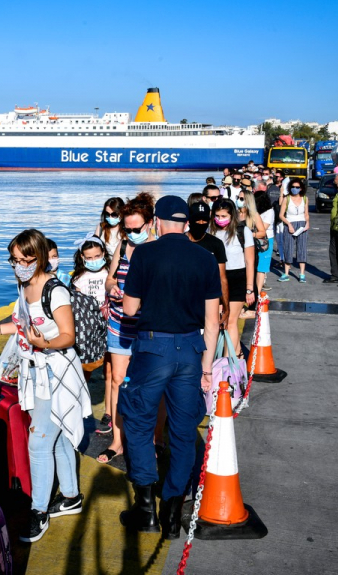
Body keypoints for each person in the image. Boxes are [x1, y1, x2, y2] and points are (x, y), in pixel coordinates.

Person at [117, 196, 221, 537]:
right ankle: (173, 514)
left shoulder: (144, 254)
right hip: (191, 349)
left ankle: (146, 508)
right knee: (182, 430)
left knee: (138, 422)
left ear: (157, 222)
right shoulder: (205, 257)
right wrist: (207, 368)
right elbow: (212, 320)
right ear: (187, 223)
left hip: (153, 348)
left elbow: (131, 309)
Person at [0, 229, 90, 544]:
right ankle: (70, 497)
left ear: (38, 256)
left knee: (39, 443)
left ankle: (38, 510)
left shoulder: (55, 291)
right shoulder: (25, 286)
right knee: (59, 438)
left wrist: (45, 343)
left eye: (25, 260)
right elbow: (21, 322)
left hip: (56, 373)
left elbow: (68, 335)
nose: (19, 266)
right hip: (36, 371)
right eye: (14, 260)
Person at [102, 192, 156, 464]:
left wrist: (136, 298)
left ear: (150, 223)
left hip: (148, 326)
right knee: (117, 381)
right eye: (127, 228)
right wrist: (112, 290)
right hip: (119, 323)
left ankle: (152, 441)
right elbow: (110, 279)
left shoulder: (158, 248)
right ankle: (117, 441)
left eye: (137, 228)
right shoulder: (122, 247)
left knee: (149, 385)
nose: (132, 233)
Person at [210, 199, 254, 353]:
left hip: (237, 277)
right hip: (216, 278)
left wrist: (249, 288)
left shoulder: (242, 231)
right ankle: (236, 355)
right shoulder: (210, 231)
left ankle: (230, 361)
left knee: (231, 322)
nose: (220, 219)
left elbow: (249, 261)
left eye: (224, 216)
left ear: (232, 215)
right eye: (217, 216)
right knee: (217, 321)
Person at [70, 235, 110, 386]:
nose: (94, 260)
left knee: (109, 358)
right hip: (89, 324)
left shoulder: (109, 273)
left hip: (108, 319)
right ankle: (83, 389)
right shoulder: (79, 278)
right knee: (87, 363)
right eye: (89, 257)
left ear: (103, 253)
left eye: (97, 256)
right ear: (82, 257)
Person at [187, 201, 228, 324]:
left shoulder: (216, 244)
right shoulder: (181, 242)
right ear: (189, 220)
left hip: (208, 302)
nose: (200, 223)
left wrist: (226, 307)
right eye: (197, 220)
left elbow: (222, 277)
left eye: (204, 220)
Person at [238, 190, 269, 296]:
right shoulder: (235, 213)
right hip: (237, 249)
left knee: (250, 273)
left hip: (250, 249)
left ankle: (250, 296)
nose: (239, 200)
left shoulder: (254, 215)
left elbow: (262, 232)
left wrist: (250, 235)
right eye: (238, 197)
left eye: (241, 199)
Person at [277, 180, 310, 283]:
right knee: (288, 248)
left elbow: (306, 213)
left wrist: (307, 223)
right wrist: (289, 224)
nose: (295, 188)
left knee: (302, 248)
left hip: (302, 225)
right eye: (293, 186)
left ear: (301, 188)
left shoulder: (305, 198)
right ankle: (286, 273)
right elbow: (281, 215)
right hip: (289, 224)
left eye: (297, 187)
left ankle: (302, 274)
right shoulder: (286, 199)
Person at [253, 179, 276, 291]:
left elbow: (264, 228)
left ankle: (258, 289)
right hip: (254, 238)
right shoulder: (254, 211)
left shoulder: (269, 212)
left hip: (265, 240)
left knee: (262, 267)